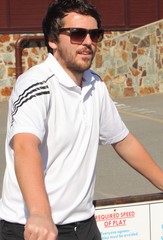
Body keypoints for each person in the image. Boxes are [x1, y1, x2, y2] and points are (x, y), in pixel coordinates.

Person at [1, 0, 163, 239]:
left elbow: (123, 140)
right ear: (53, 40)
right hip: (34, 228)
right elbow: (25, 146)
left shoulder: (95, 84)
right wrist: (40, 213)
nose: (88, 42)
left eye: (94, 34)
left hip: (84, 225)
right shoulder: (36, 84)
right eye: (77, 34)